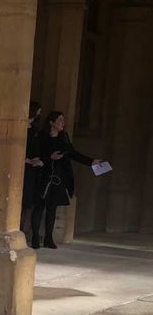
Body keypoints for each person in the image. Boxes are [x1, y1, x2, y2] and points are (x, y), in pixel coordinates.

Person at [31, 111, 103, 249]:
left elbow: (73, 154)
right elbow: (36, 155)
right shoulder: (41, 136)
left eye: (63, 120)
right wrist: (49, 157)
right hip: (43, 175)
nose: (62, 123)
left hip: (58, 177)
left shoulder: (63, 138)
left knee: (52, 208)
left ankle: (48, 238)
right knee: (39, 206)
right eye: (59, 120)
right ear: (51, 122)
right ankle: (35, 237)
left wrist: (91, 161)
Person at [21, 100, 44, 237]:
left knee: (28, 203)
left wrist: (37, 160)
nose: (39, 114)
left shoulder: (35, 131)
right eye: (38, 111)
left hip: (32, 171)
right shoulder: (19, 128)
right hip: (22, 169)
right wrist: (26, 160)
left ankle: (22, 231)